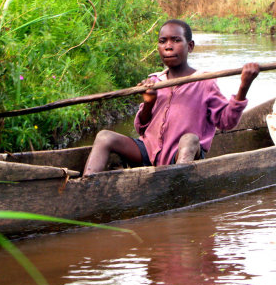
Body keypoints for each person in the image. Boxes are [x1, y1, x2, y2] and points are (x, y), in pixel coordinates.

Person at [83, 19, 259, 176]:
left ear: (190, 46)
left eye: (176, 40)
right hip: (148, 152)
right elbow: (140, 128)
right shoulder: (155, 81)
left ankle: (176, 187)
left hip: (181, 156)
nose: (168, 46)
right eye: (162, 41)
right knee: (105, 136)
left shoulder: (204, 82)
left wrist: (244, 86)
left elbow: (226, 122)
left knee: (190, 139)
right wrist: (149, 102)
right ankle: (86, 186)